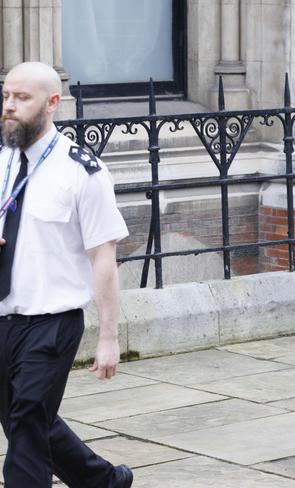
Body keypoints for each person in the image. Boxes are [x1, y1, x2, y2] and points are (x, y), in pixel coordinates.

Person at [0, 62, 132, 486]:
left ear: (53, 103)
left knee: (25, 426)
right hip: (4, 316)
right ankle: (104, 482)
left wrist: (109, 338)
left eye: (22, 98)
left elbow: (103, 257)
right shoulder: (2, 160)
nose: (9, 107)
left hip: (51, 323)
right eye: (6, 96)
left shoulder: (82, 172)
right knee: (28, 419)